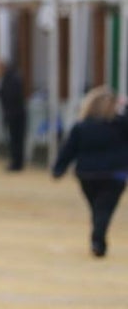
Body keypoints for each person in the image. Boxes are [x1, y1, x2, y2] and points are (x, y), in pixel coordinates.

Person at [52, 86, 128, 257]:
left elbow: (68, 149)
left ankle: (97, 238)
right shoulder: (120, 125)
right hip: (113, 175)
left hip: (87, 174)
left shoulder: (82, 126)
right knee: (104, 209)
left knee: (97, 208)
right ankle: (98, 239)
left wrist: (59, 168)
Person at [0, 59, 28, 172]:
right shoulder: (11, 77)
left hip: (14, 114)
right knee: (16, 139)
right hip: (15, 113)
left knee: (15, 139)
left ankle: (17, 163)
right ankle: (17, 162)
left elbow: (9, 96)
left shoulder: (9, 79)